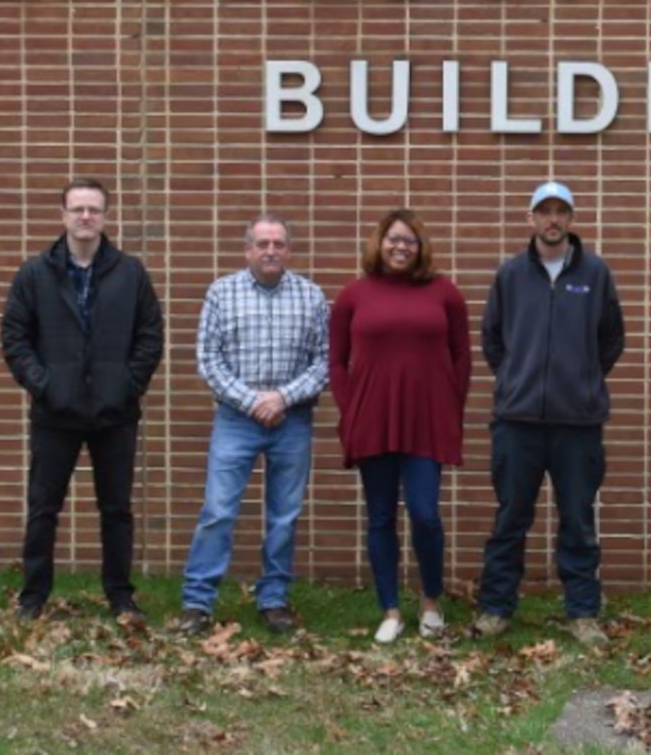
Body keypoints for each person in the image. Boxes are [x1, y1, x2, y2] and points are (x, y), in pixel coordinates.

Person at [0, 178, 165, 623]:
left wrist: (126, 386)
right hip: (56, 412)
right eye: (78, 209)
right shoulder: (35, 273)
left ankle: (120, 595)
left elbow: (150, 337)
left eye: (94, 209)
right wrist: (45, 385)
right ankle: (33, 597)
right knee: (43, 508)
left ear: (106, 217)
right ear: (64, 216)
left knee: (116, 509)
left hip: (115, 414)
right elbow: (15, 339)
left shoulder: (130, 273)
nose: (86, 217)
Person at [473, 181, 626, 647]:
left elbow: (611, 341)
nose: (553, 220)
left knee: (578, 521)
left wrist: (579, 382)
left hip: (576, 425)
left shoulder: (595, 274)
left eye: (561, 211)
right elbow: (493, 341)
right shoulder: (511, 274)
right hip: (517, 423)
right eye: (545, 211)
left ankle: (582, 612)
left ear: (572, 220)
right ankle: (496, 607)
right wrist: (518, 381)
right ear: (531, 218)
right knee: (510, 518)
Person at [176, 215, 330, 637]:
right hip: (235, 419)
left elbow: (325, 360)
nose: (270, 251)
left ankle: (274, 600)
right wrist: (252, 401)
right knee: (218, 512)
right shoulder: (221, 293)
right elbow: (209, 359)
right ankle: (197, 602)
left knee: (284, 516)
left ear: (289, 250)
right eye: (262, 243)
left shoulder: (311, 295)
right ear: (247, 250)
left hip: (292, 419)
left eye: (278, 243)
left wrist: (282, 398)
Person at [329, 208, 472, 643]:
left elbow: (462, 355)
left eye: (409, 240)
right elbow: (336, 360)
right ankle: (390, 609)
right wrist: (350, 409)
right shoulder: (353, 296)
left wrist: (452, 407)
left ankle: (431, 601)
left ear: (420, 247)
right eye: (393, 238)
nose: (400, 246)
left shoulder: (444, 293)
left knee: (426, 515)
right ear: (379, 243)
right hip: (372, 419)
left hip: (427, 420)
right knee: (380, 518)